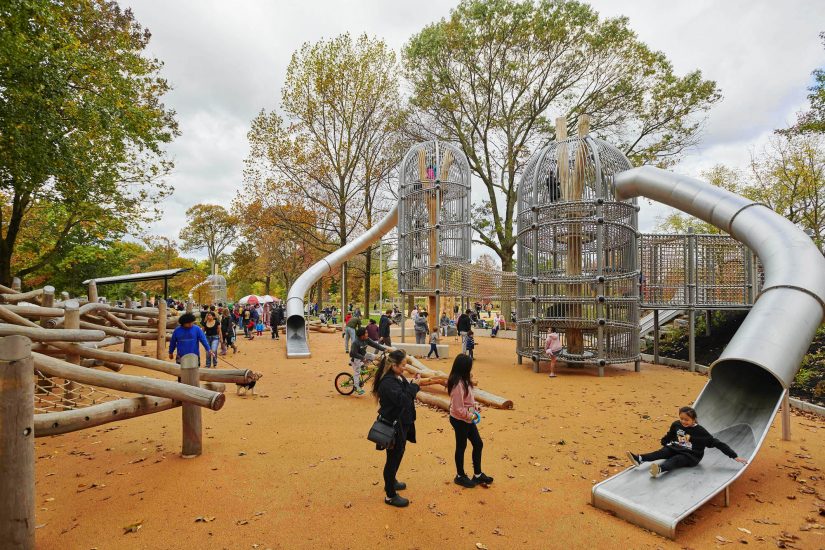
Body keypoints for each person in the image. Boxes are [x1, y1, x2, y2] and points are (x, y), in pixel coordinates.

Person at [626, 406, 749, 478]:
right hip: (677, 448)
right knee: (662, 452)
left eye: (687, 419)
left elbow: (718, 443)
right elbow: (671, 434)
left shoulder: (701, 432)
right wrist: (665, 442)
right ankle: (640, 458)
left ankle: (659, 469)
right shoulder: (677, 424)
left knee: (677, 459)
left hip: (691, 456)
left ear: (693, 419)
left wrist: (734, 456)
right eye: (682, 419)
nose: (684, 422)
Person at [373, 349, 420, 507]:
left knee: (399, 453)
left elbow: (406, 393)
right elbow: (404, 399)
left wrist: (412, 385)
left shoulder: (397, 377)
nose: (404, 368)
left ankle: (391, 480)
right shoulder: (388, 383)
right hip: (393, 425)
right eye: (402, 365)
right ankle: (390, 495)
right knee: (392, 458)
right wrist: (414, 387)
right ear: (393, 365)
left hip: (402, 423)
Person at [448, 354, 493, 488]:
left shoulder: (465, 380)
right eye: (469, 367)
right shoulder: (457, 385)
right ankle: (460, 476)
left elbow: (468, 400)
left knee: (478, 444)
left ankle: (478, 475)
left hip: (467, 418)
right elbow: (457, 409)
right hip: (459, 420)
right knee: (461, 447)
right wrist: (471, 416)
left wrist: (474, 407)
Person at [350, 327, 386, 396]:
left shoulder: (367, 339)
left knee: (374, 356)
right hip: (356, 358)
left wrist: (384, 349)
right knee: (357, 372)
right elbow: (352, 353)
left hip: (364, 355)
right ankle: (357, 387)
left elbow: (375, 345)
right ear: (361, 335)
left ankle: (363, 366)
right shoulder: (356, 342)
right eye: (366, 333)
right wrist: (362, 358)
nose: (367, 334)